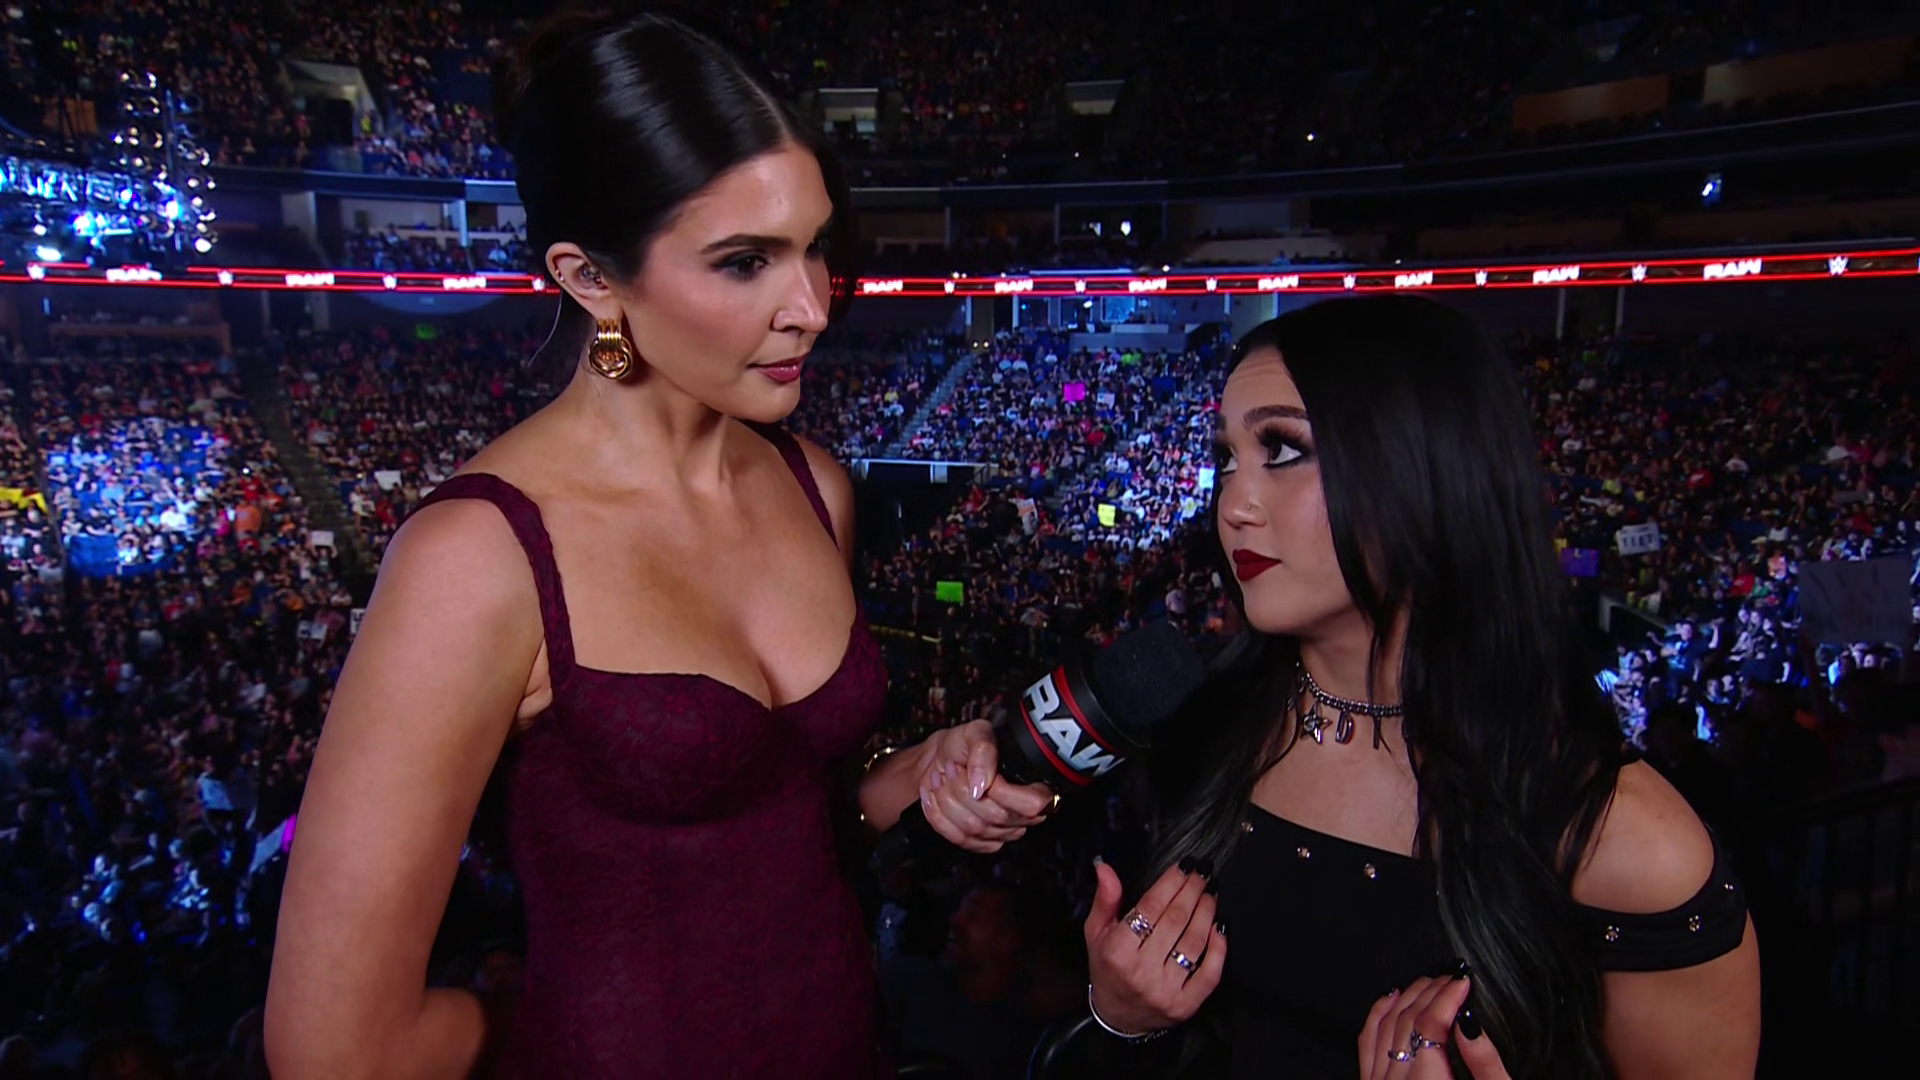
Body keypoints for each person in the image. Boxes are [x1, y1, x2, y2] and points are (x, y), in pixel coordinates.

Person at [262, 10, 1053, 1079]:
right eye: (745, 262)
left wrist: (916, 775)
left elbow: (784, 830)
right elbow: (332, 1049)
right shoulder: (480, 557)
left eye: (816, 245)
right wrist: (580, 1030)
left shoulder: (814, 486)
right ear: (592, 278)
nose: (812, 307)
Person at [1082, 297, 1761, 1078]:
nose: (1233, 505)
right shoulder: (1202, 722)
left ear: (1425, 467)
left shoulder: (1625, 838)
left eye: (1285, 449)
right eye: (1227, 458)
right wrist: (1118, 1017)